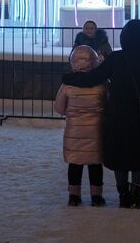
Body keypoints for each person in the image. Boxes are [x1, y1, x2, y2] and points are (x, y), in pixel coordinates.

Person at [62, 19, 140, 209]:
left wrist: (69, 78)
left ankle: (123, 196)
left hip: (119, 115)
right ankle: (137, 195)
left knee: (121, 156)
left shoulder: (116, 58)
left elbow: (94, 77)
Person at [54, 45, 108, 207]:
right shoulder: (103, 83)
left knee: (75, 163)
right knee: (95, 164)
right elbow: (109, 103)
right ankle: (97, 197)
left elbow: (59, 108)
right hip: (96, 130)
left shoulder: (67, 84)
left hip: (74, 130)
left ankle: (74, 196)